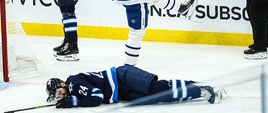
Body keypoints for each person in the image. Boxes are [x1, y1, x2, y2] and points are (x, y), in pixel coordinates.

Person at [46, 65, 226, 108]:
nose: (60, 95)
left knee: (156, 88)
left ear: (62, 84)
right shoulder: (72, 87)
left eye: (58, 92)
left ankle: (203, 90)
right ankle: (197, 87)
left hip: (123, 77)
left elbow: (97, 96)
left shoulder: (73, 83)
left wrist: (74, 102)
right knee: (159, 96)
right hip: (122, 92)